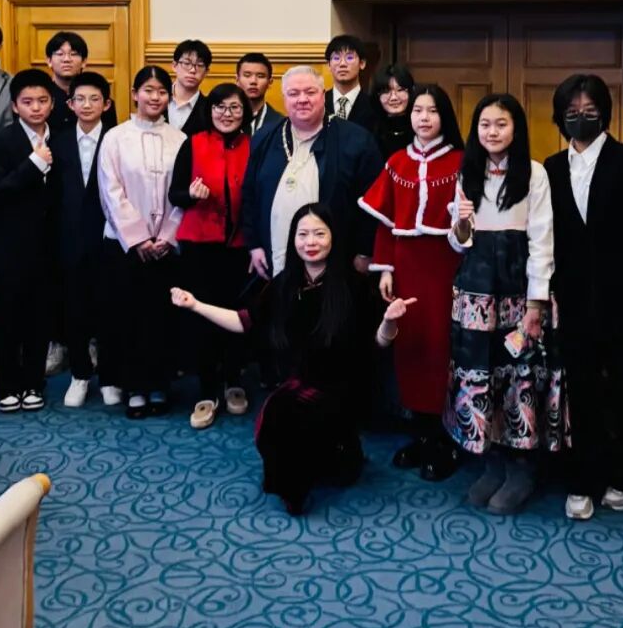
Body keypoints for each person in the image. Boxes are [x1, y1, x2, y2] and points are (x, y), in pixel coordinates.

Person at [172, 205, 379, 514]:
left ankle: (342, 449)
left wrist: (390, 323)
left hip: (344, 387)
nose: (311, 242)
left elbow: (378, 341)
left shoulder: (354, 284)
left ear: (333, 238)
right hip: (300, 384)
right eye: (303, 234)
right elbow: (244, 321)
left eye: (319, 234)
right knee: (278, 417)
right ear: (293, 239)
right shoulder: (285, 283)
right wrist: (196, 305)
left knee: (337, 466)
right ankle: (294, 489)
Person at [544, 73, 623, 521]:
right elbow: (549, 239)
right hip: (573, 302)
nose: (580, 118)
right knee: (581, 393)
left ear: (605, 114)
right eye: (571, 112)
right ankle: (583, 479)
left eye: (589, 111)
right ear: (560, 118)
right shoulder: (550, 168)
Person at [446, 93, 558, 514]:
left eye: (501, 124)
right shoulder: (467, 171)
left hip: (516, 287)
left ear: (516, 129)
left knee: (518, 377)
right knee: (480, 373)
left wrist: (536, 303)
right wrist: (460, 224)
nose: (492, 132)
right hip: (475, 289)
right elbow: (459, 243)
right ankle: (491, 462)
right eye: (485, 124)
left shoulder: (534, 173)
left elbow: (542, 240)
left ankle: (521, 469)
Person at [360, 84, 465, 480]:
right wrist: (385, 269)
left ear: (444, 117)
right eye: (418, 110)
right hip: (405, 268)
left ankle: (447, 438)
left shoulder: (461, 162)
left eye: (432, 111)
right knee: (410, 348)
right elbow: (386, 224)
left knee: (443, 349)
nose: (423, 118)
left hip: (446, 268)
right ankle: (421, 433)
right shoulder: (396, 162)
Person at [98, 67, 186, 420]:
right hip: (124, 245)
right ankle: (134, 387)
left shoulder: (180, 139)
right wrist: (137, 238)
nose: (155, 97)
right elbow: (111, 190)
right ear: (134, 94)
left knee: (161, 317)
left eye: (162, 91)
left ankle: (160, 385)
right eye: (148, 90)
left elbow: (182, 195)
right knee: (128, 317)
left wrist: (166, 237)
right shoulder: (115, 137)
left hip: (166, 246)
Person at [242, 65, 383, 278]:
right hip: (273, 258)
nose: (302, 100)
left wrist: (365, 251)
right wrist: (254, 245)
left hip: (339, 262)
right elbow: (250, 195)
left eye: (310, 92)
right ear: (284, 98)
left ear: (323, 95)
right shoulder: (265, 137)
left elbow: (373, 203)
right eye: (293, 93)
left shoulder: (357, 141)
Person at [169, 83, 253, 429]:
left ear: (244, 112)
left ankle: (234, 381)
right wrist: (190, 194)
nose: (226, 114)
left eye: (234, 107)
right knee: (202, 317)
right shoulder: (193, 143)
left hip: (241, 248)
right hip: (200, 246)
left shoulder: (254, 144)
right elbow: (175, 194)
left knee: (237, 315)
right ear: (210, 110)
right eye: (220, 107)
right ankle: (207, 390)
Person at [0, 70, 59, 413]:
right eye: (27, 102)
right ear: (14, 106)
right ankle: (7, 384)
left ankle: (34, 383)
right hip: (9, 246)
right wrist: (33, 164)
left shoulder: (63, 139)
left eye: (42, 101)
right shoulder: (0, 142)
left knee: (40, 319)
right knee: (8, 319)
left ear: (52, 103)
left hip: (49, 247)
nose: (36, 108)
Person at [52, 72, 121, 409]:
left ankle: (109, 377)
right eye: (80, 99)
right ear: (70, 104)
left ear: (106, 104)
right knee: (74, 309)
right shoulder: (58, 141)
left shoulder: (118, 139)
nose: (87, 105)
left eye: (95, 99)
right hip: (69, 239)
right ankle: (79, 374)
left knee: (110, 309)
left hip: (110, 238)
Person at [45, 31, 118, 134]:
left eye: (73, 54)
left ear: (84, 61)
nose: (66, 59)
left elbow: (110, 137)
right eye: (60, 54)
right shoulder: (42, 98)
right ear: (49, 61)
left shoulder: (101, 101)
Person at [366, 62, 416, 158]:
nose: (394, 98)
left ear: (410, 92)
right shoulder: (369, 131)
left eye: (400, 90)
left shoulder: (420, 128)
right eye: (386, 91)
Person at [324, 35, 373, 127]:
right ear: (329, 65)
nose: (342, 64)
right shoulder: (319, 102)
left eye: (349, 58)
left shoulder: (374, 104)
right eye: (336, 58)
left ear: (362, 63)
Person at [168, 39, 212, 135]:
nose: (192, 70)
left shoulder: (209, 109)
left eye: (199, 65)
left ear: (206, 72)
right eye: (187, 63)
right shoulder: (157, 99)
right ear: (174, 66)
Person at [237, 52, 278, 137]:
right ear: (237, 80)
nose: (253, 81)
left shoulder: (280, 123)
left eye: (260, 76)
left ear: (269, 82)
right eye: (247, 75)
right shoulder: (225, 119)